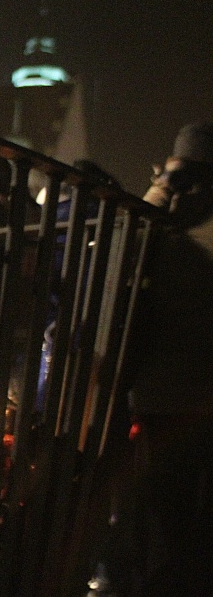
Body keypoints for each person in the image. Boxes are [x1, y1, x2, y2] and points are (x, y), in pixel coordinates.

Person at [125, 122, 213, 595]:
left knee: (170, 529)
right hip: (168, 402)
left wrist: (159, 200)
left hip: (174, 401)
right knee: (168, 527)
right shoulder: (167, 228)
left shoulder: (182, 235)